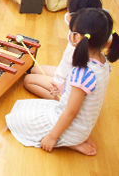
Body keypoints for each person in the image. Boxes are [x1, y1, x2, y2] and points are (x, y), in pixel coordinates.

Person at [7, 8, 119, 156]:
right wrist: (63, 90)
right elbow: (81, 98)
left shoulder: (83, 72)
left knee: (15, 119)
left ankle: (71, 142)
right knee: (25, 107)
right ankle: (74, 138)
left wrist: (52, 137)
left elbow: (71, 112)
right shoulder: (103, 63)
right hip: (82, 124)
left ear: (77, 37)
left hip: (73, 127)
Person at [23, 0, 102, 99]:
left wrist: (58, 84)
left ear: (77, 18)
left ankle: (59, 101)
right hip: (66, 71)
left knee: (28, 81)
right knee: (34, 69)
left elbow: (71, 71)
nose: (66, 15)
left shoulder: (78, 41)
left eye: (68, 13)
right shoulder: (88, 31)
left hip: (67, 84)